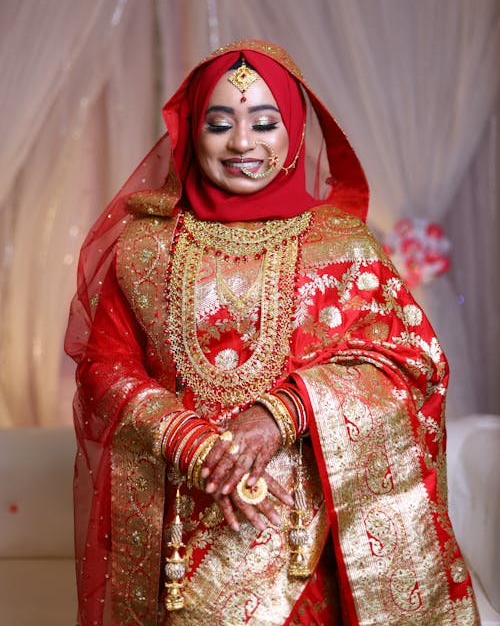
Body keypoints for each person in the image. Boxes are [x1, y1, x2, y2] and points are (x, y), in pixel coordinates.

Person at [65, 40, 479, 626]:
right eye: (219, 123)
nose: (241, 144)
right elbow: (103, 365)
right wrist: (191, 439)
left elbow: (409, 363)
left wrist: (280, 412)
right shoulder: (143, 248)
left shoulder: (344, 250)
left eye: (264, 122)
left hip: (301, 546)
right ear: (190, 132)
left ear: (295, 133)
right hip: (180, 538)